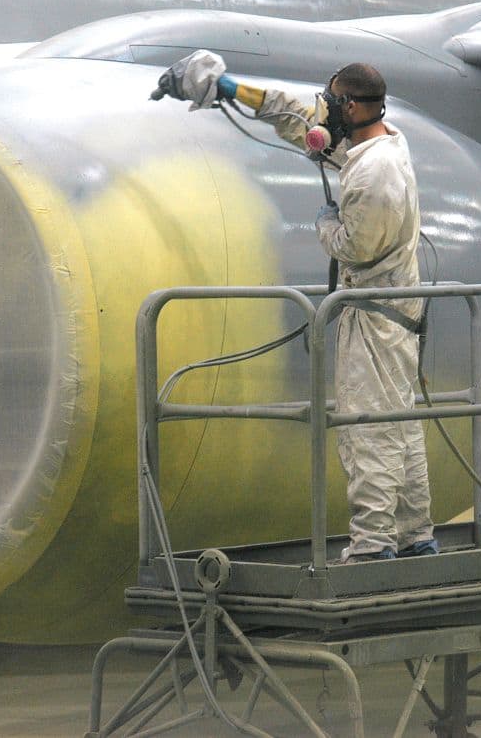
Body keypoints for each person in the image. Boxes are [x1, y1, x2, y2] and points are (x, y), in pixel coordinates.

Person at [155, 51, 436, 563]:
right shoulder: (377, 143)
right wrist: (226, 88)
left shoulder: (373, 174)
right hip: (391, 311)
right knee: (398, 422)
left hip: (377, 317)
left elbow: (356, 248)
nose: (324, 109)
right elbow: (297, 117)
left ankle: (373, 545)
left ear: (352, 107)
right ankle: (415, 535)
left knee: (368, 427)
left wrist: (325, 225)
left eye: (333, 101)